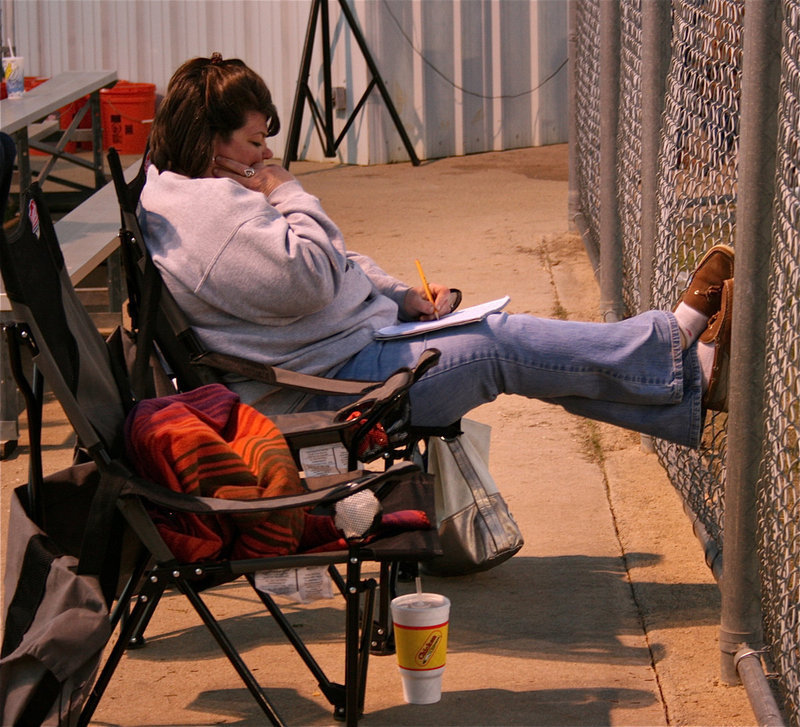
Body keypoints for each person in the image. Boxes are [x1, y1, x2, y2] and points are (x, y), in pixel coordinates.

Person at [139, 54, 734, 449]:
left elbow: (332, 265)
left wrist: (397, 295)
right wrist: (288, 190)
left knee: (511, 351)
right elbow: (312, 277)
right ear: (209, 140)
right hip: (332, 389)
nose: (265, 157)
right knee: (497, 343)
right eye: (253, 142)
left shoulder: (202, 195)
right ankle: (675, 346)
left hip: (352, 354)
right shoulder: (208, 214)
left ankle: (686, 390)